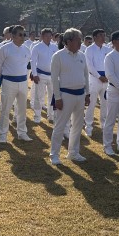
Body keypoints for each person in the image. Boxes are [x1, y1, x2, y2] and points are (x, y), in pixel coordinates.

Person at [48, 28, 90, 164]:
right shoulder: (58, 56)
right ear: (68, 41)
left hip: (80, 94)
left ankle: (73, 152)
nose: (80, 43)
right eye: (78, 40)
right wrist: (58, 98)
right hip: (65, 95)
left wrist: (87, 93)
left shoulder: (82, 55)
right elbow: (54, 79)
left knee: (77, 125)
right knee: (60, 126)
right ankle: (54, 155)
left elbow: (86, 76)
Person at [0, 25, 32, 144]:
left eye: (24, 34)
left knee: (22, 109)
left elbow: (26, 65)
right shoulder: (5, 49)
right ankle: (2, 134)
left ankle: (22, 132)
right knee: (6, 109)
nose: (23, 37)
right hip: (9, 82)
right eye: (20, 34)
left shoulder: (27, 49)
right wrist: (7, 74)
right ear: (13, 35)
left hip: (23, 82)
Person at [84, 29, 110, 136]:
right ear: (94, 37)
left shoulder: (107, 49)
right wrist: (99, 76)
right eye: (100, 35)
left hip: (106, 79)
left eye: (104, 35)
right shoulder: (89, 49)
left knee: (105, 104)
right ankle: (88, 126)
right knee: (91, 103)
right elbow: (89, 65)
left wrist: (107, 76)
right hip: (94, 79)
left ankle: (104, 125)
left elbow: (110, 64)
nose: (103, 37)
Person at [30, 28, 57, 124]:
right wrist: (35, 74)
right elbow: (33, 61)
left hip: (52, 75)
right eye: (46, 36)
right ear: (42, 36)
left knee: (52, 96)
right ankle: (37, 116)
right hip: (41, 74)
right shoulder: (37, 47)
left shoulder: (55, 47)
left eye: (50, 36)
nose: (48, 38)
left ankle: (51, 115)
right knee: (39, 96)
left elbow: (57, 61)